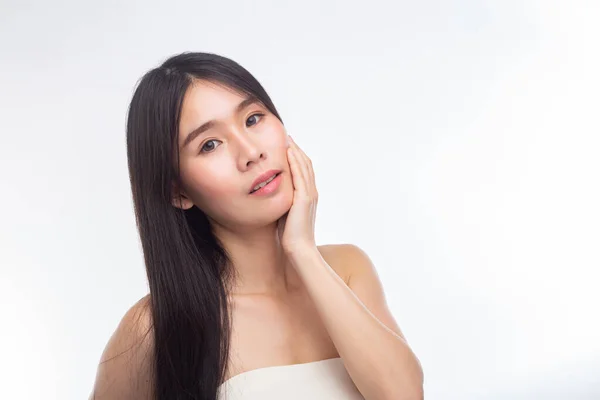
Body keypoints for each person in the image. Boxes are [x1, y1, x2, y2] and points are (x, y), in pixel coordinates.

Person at [90, 52, 423, 400]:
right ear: (178, 191)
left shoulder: (348, 270)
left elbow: (404, 395)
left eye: (253, 119)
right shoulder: (155, 329)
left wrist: (303, 251)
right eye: (210, 144)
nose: (251, 152)